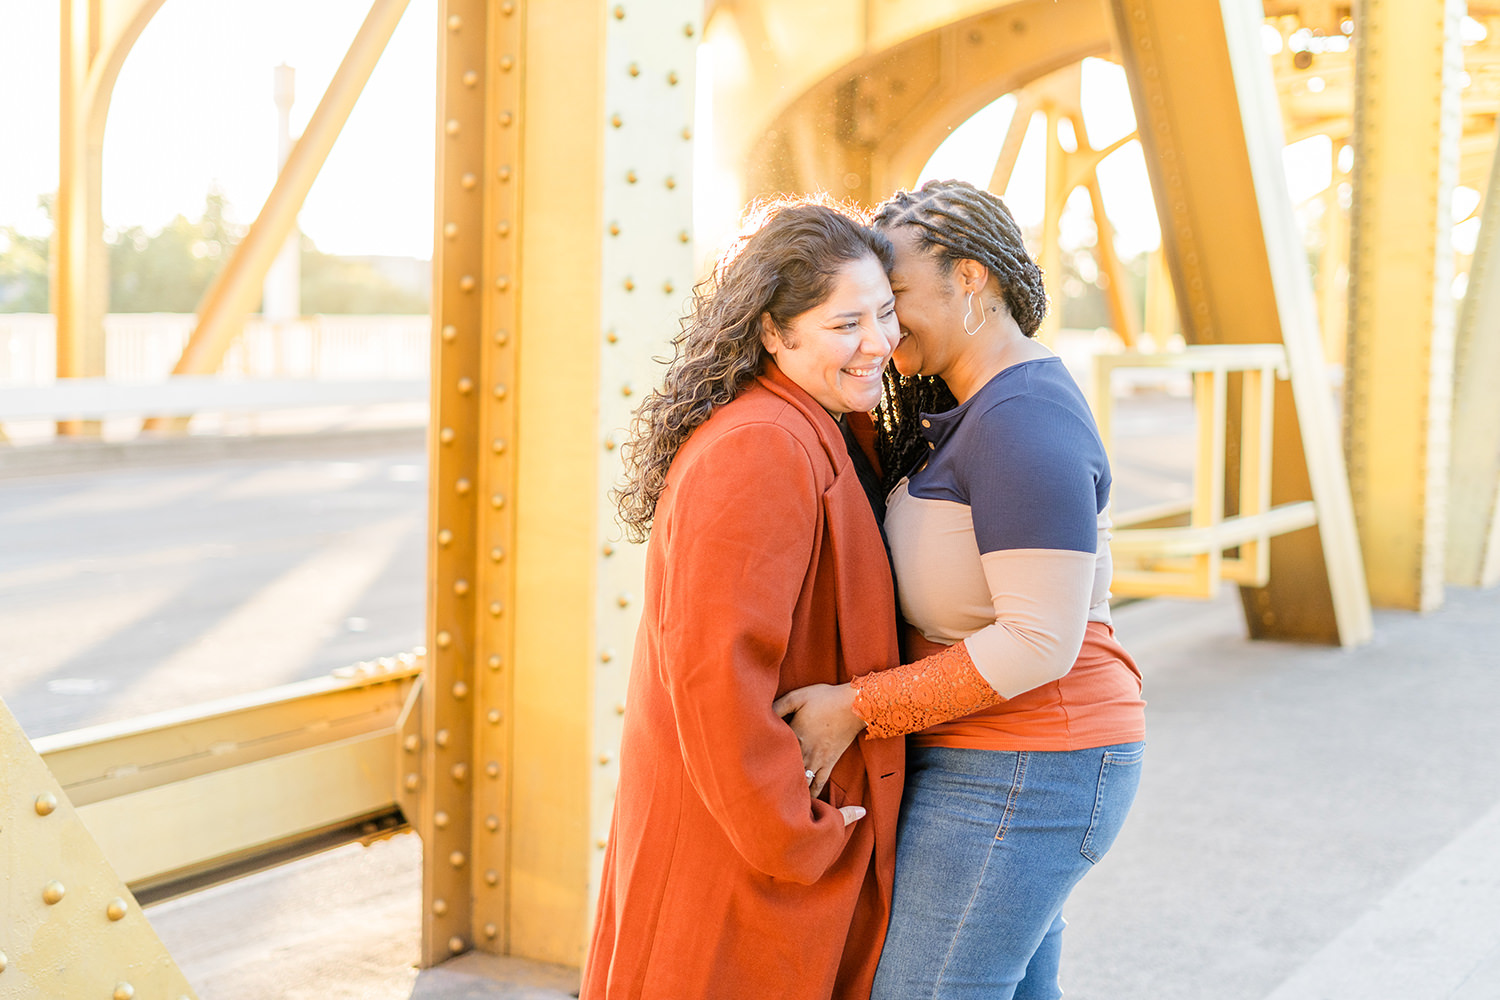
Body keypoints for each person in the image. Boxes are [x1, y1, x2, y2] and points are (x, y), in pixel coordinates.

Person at [774, 179, 1147, 1000]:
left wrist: (856, 706)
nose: (884, 324)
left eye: (895, 295)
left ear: (970, 278)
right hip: (1000, 765)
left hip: (1030, 768)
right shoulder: (973, 407)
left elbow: (1038, 640)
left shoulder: (1024, 417)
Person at [581, 199, 907, 1000]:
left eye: (888, 313)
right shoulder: (761, 445)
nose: (879, 344)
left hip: (751, 849)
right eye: (846, 324)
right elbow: (713, 673)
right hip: (740, 860)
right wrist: (801, 838)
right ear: (772, 331)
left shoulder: (807, 424)